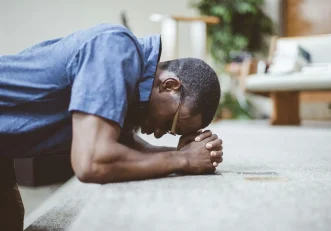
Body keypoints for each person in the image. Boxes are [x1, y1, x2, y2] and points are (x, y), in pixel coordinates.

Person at [0, 23, 223, 230]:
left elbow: (124, 144)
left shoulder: (134, 88)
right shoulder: (116, 48)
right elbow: (92, 161)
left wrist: (180, 152)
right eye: (168, 124)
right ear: (170, 85)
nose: (158, 134)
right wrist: (183, 159)